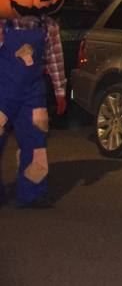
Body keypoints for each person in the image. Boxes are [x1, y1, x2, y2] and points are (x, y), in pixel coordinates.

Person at [0, 11, 67, 208]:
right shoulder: (3, 22)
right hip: (2, 92)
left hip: (32, 94)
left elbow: (55, 58)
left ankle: (32, 191)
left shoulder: (48, 26)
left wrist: (60, 90)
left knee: (35, 142)